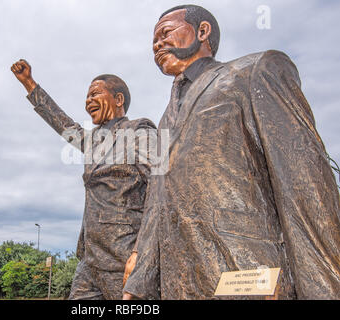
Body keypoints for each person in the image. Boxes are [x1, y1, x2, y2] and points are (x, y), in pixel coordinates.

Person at [123, 5, 340, 299]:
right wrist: (139, 271)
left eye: (165, 33)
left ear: (202, 31)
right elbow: (157, 197)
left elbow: (306, 190)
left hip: (248, 276)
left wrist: (325, 290)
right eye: (153, 42)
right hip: (176, 283)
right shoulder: (164, 119)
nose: (157, 44)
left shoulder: (254, 72)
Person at [11, 59, 156, 299]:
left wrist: (141, 253)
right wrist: (29, 84)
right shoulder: (92, 142)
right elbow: (63, 124)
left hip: (124, 255)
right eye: (86, 96)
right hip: (90, 258)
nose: (88, 100)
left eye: (95, 94)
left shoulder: (139, 131)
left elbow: (160, 191)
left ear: (118, 100)